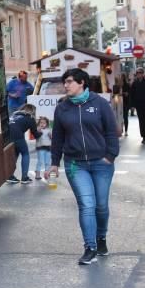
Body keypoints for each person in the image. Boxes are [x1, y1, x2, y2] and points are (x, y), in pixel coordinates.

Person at [49, 68, 119, 265]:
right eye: (65, 82)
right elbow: (57, 138)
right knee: (87, 205)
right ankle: (90, 247)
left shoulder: (100, 104)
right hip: (75, 164)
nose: (66, 85)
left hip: (101, 164)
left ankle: (101, 237)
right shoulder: (62, 107)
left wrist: (110, 156)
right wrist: (54, 163)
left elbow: (111, 132)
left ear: (82, 83)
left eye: (70, 81)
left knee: (101, 206)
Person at [7, 104, 38, 183]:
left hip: (7, 136)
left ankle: (9, 176)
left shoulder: (13, 115)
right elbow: (36, 134)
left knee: (15, 154)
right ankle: (24, 177)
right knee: (25, 154)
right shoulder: (30, 118)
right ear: (32, 111)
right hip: (17, 135)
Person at [129, 68, 145, 143]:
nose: (139, 74)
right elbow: (132, 95)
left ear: (143, 74)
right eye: (138, 73)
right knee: (141, 120)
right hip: (138, 104)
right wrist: (132, 105)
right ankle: (144, 136)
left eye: (140, 73)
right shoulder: (135, 83)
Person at [34, 117, 52, 181]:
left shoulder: (49, 129)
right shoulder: (38, 129)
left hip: (48, 147)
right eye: (41, 122)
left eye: (44, 123)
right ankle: (37, 173)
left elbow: (51, 138)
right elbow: (36, 136)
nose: (42, 124)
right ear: (38, 123)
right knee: (40, 161)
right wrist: (39, 130)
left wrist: (50, 135)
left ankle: (46, 173)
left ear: (47, 124)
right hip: (40, 147)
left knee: (47, 162)